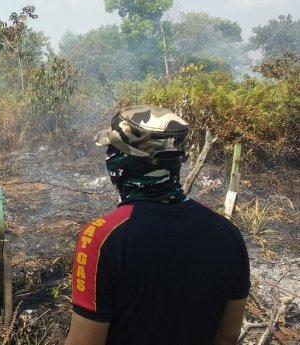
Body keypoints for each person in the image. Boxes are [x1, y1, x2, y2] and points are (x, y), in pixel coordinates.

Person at [65, 105, 249, 345]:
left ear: (123, 162)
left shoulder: (101, 238)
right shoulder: (227, 233)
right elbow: (228, 336)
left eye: (112, 150)